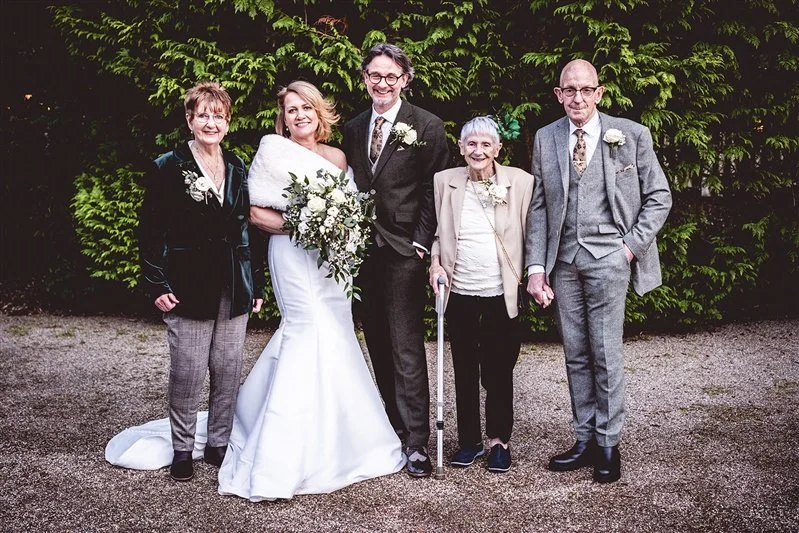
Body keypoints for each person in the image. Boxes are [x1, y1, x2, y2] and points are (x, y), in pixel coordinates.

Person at [219, 80, 405, 500]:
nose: (299, 115)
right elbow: (255, 210)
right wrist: (304, 225)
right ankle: (284, 446)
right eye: (291, 110)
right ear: (282, 119)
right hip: (291, 254)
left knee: (337, 331)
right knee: (304, 330)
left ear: (320, 113)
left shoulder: (338, 156)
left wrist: (335, 230)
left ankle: (344, 435)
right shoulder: (272, 150)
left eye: (306, 107)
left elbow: (351, 208)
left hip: (332, 262)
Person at [525, 59, 672, 483]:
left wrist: (629, 248)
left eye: (585, 90)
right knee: (575, 353)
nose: (577, 98)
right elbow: (539, 207)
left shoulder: (630, 135)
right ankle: (585, 438)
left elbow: (659, 197)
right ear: (558, 94)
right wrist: (537, 268)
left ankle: (609, 443)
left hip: (610, 256)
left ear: (599, 93)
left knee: (605, 352)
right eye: (569, 90)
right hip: (564, 262)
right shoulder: (545, 137)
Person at [133, 81, 264, 482]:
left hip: (233, 282)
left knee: (227, 368)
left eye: (218, 116)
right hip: (187, 284)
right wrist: (157, 284)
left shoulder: (239, 166)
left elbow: (248, 230)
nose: (211, 122)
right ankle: (182, 448)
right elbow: (150, 230)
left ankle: (218, 443)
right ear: (190, 120)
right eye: (203, 115)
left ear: (228, 122)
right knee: (187, 371)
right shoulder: (168, 166)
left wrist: (255, 284)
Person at [342, 43, 449, 478]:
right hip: (362, 252)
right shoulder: (352, 128)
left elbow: (433, 190)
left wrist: (422, 244)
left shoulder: (427, 125)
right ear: (365, 78)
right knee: (378, 346)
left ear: (405, 79)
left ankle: (418, 442)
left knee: (406, 347)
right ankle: (391, 427)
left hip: (405, 251)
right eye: (374, 75)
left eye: (391, 76)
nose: (382, 84)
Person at [428, 116, 533, 473]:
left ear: (498, 149)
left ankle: (499, 440)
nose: (478, 150)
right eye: (471, 144)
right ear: (460, 148)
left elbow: (531, 232)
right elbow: (439, 234)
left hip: (499, 292)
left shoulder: (520, 182)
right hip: (459, 291)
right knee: (463, 368)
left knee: (499, 368)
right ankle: (470, 441)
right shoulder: (445, 182)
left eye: (486, 144)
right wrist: (435, 264)